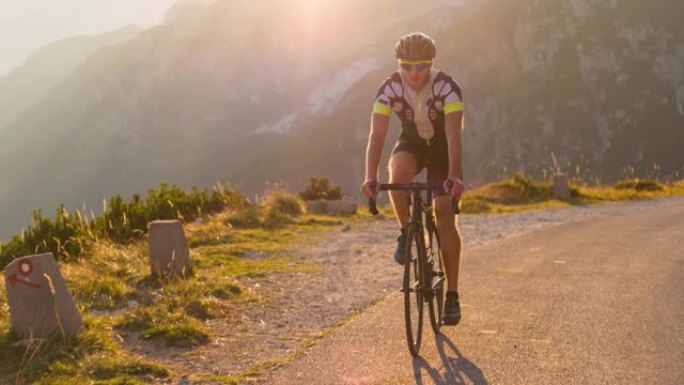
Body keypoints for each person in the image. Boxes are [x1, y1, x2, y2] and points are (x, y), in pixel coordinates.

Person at [360, 32, 465, 326]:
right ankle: (406, 230)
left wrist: (454, 177)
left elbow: (455, 136)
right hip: (412, 144)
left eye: (420, 66)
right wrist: (371, 177)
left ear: (431, 63)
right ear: (399, 64)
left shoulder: (447, 86)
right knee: (399, 174)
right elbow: (377, 135)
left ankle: (452, 295)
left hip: (443, 150)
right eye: (407, 66)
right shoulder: (389, 87)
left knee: (444, 213)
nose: (414, 72)